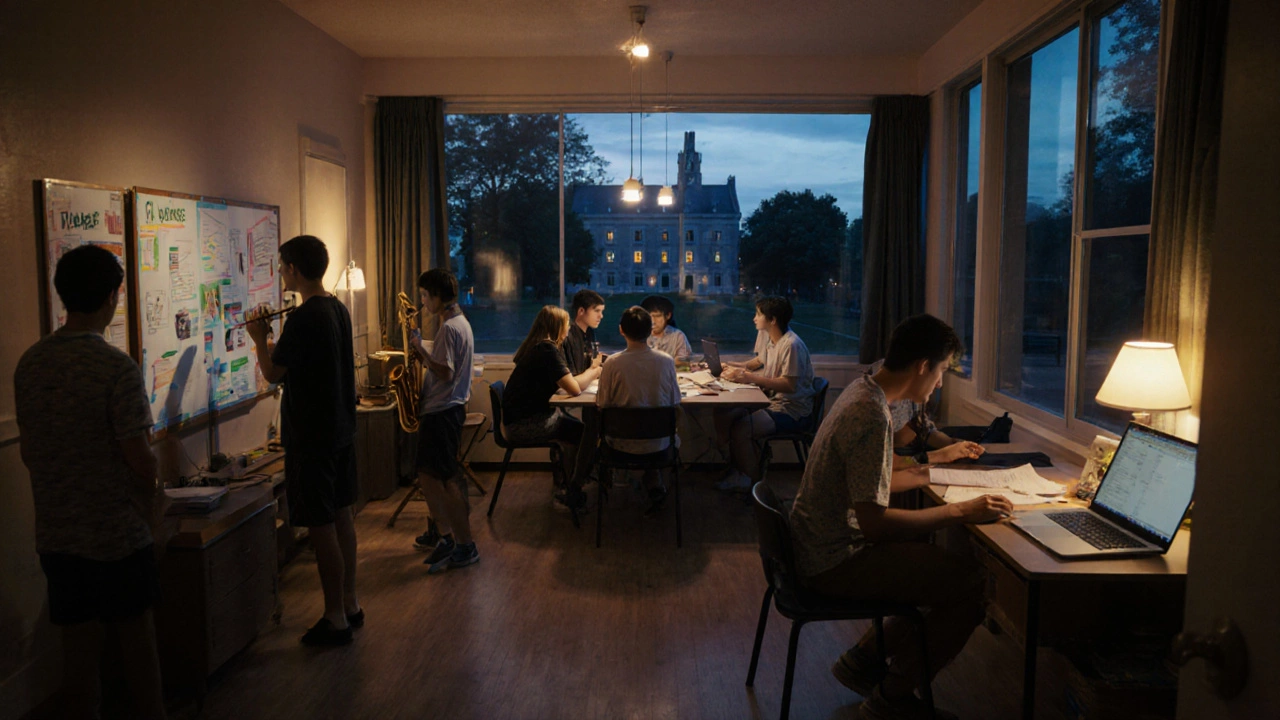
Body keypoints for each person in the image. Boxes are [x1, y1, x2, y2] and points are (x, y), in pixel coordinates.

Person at [789, 314, 1013, 720]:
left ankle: (862, 661)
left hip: (815, 547)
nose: (940, 383)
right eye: (941, 371)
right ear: (923, 366)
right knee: (971, 584)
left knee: (937, 567)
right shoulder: (872, 414)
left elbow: (874, 480)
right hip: (833, 560)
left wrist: (932, 468)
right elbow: (875, 524)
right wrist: (960, 510)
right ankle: (890, 698)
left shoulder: (863, 391)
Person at [15, 245, 167, 719]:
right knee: (139, 649)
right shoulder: (116, 368)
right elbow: (140, 459)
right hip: (118, 535)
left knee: (78, 656)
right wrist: (157, 497)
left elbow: (29, 451)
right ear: (110, 298)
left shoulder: (31, 363)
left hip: (58, 535)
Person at [246, 235, 361, 647]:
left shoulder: (303, 317)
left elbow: (273, 373)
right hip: (340, 431)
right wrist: (273, 342)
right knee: (342, 518)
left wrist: (258, 340)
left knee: (321, 527)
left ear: (294, 269)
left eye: (281, 266)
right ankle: (349, 604)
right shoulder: (337, 308)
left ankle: (334, 618)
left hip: (312, 438)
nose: (280, 273)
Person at [406, 268, 478, 573]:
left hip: (442, 411)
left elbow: (445, 372)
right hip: (446, 410)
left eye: (425, 295)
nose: (423, 301)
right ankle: (447, 536)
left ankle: (463, 544)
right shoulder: (460, 322)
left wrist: (419, 348)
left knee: (446, 480)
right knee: (431, 476)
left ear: (437, 296)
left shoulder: (449, 328)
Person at [501, 306, 601, 506]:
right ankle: (573, 487)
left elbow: (568, 383)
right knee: (586, 434)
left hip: (517, 420)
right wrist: (594, 371)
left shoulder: (537, 348)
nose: (568, 331)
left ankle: (571, 484)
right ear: (557, 327)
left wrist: (588, 372)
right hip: (525, 425)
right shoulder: (547, 350)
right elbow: (574, 389)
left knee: (579, 429)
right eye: (566, 326)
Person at [713, 296, 815, 491]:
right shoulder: (772, 341)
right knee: (724, 414)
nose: (754, 318)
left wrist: (749, 378)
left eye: (758, 314)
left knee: (742, 429)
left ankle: (753, 483)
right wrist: (731, 366)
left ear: (773, 320)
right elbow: (757, 362)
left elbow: (789, 385)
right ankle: (737, 468)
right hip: (772, 402)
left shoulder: (791, 345)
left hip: (791, 410)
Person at [595, 306, 684, 515]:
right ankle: (655, 484)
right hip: (660, 444)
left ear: (621, 330)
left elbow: (602, 403)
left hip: (619, 445)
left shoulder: (612, 363)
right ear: (650, 330)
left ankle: (620, 479)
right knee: (658, 434)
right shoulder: (666, 361)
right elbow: (675, 401)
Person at [562, 289, 605, 375]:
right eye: (596, 311)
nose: (601, 316)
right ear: (581, 311)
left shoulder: (590, 332)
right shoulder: (567, 335)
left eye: (601, 311)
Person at [640, 295, 692, 362]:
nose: (653, 321)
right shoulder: (640, 336)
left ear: (668, 315)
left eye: (657, 316)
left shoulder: (678, 336)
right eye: (648, 317)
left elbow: (683, 361)